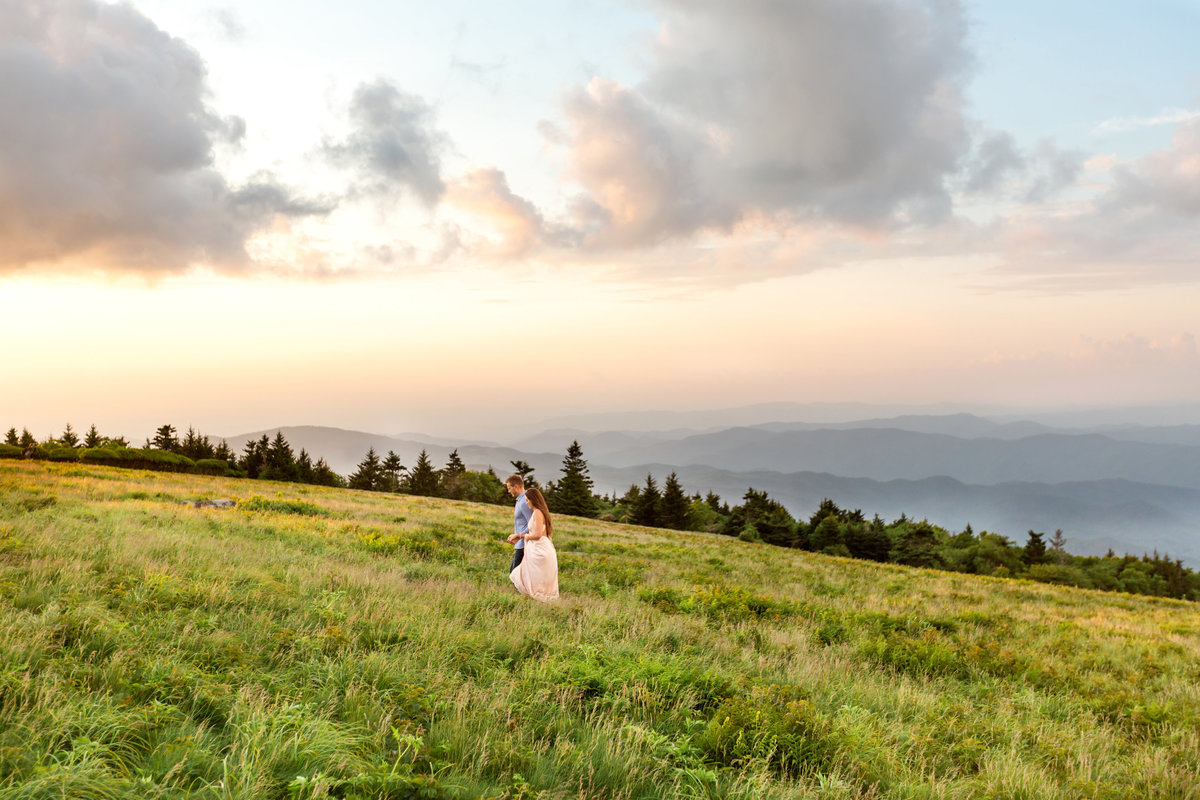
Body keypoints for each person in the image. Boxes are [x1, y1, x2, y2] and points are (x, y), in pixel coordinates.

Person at [508, 486, 558, 601]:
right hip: (541, 548)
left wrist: (521, 536)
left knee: (522, 576)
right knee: (532, 579)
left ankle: (530, 602)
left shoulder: (537, 513)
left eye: (527, 500)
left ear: (533, 500)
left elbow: (538, 534)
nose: (526, 503)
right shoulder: (541, 512)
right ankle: (532, 603)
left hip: (539, 550)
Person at [505, 474, 532, 573]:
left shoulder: (525, 502)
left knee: (515, 575)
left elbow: (532, 523)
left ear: (515, 486)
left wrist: (519, 536)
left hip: (524, 545)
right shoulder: (520, 500)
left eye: (509, 488)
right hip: (520, 544)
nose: (508, 491)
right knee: (515, 575)